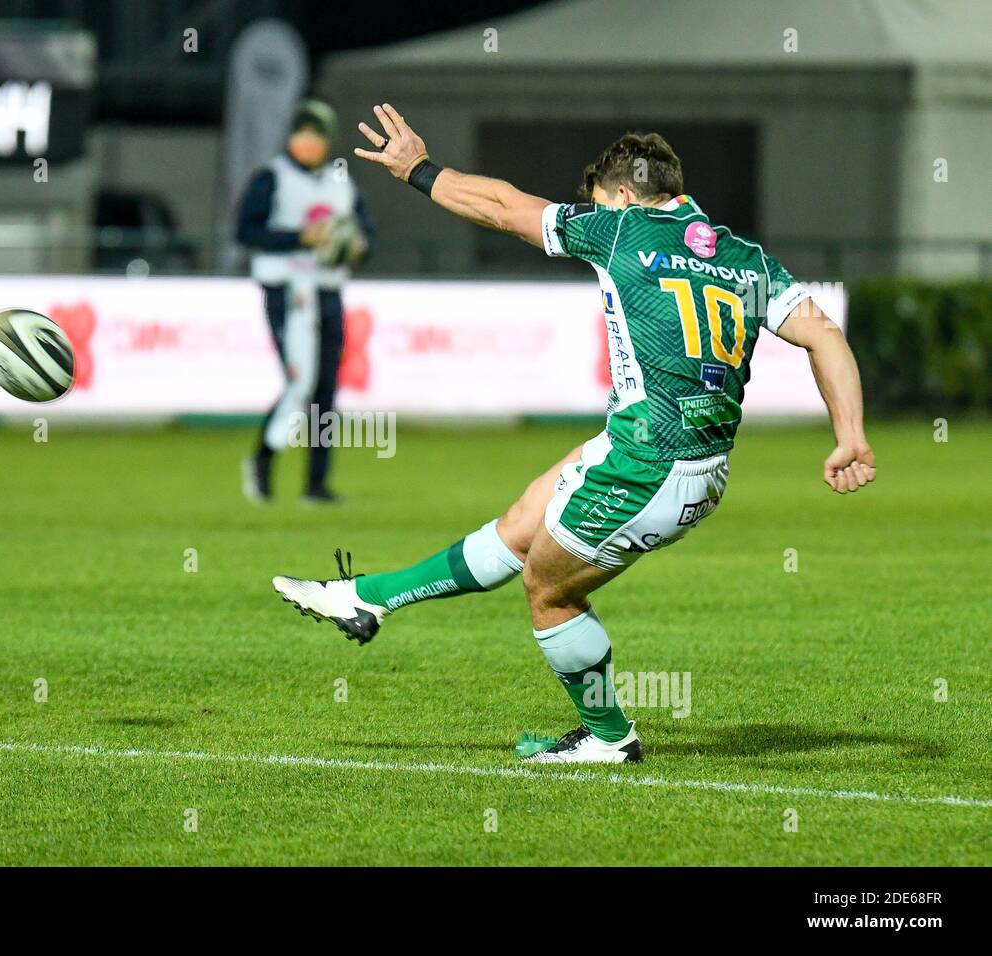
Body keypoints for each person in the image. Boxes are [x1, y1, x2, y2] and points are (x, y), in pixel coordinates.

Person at [272, 104, 876, 764]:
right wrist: (850, 435)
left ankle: (611, 739)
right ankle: (366, 599)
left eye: (596, 199)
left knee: (547, 588)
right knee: (523, 523)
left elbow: (504, 206)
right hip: (666, 454)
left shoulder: (617, 230)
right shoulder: (743, 257)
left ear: (620, 196)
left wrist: (417, 169)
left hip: (652, 465)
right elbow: (824, 334)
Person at [236, 98, 376, 505]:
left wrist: (357, 246)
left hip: (328, 288)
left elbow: (366, 234)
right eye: (303, 134)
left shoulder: (340, 182)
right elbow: (246, 230)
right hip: (288, 290)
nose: (309, 142)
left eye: (316, 135)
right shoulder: (271, 178)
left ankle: (316, 484)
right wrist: (300, 238)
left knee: (326, 391)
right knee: (302, 382)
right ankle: (264, 458)